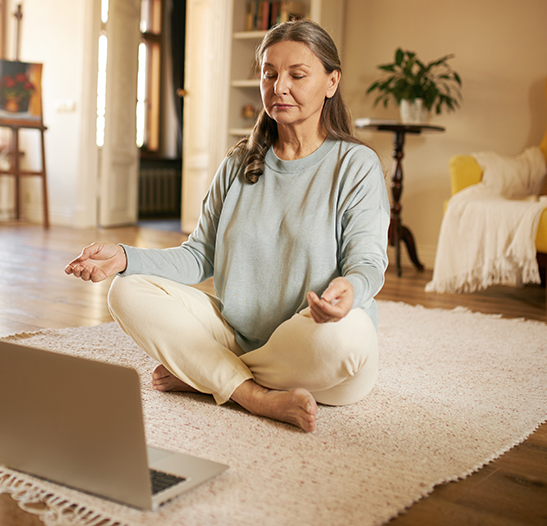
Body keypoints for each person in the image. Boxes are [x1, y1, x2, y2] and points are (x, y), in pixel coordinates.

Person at [66, 19, 389, 433]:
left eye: (297, 75)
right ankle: (253, 396)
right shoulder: (239, 162)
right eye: (269, 74)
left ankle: (210, 376)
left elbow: (366, 263)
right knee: (126, 290)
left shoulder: (355, 165)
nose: (279, 87)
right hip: (239, 336)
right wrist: (125, 257)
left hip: (315, 350)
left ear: (331, 82)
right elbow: (199, 256)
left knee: (348, 338)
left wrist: (350, 291)